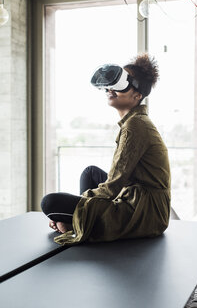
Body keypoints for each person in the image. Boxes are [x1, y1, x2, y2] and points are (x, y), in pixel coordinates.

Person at [41, 53, 171, 245]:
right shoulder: (135, 121)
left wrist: (78, 207)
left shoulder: (136, 125)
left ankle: (77, 222)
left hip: (145, 213)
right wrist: (78, 206)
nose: (110, 88)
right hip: (138, 198)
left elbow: (113, 185)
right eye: (111, 83)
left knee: (49, 203)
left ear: (137, 95)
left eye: (121, 84)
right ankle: (75, 220)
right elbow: (116, 182)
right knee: (90, 173)